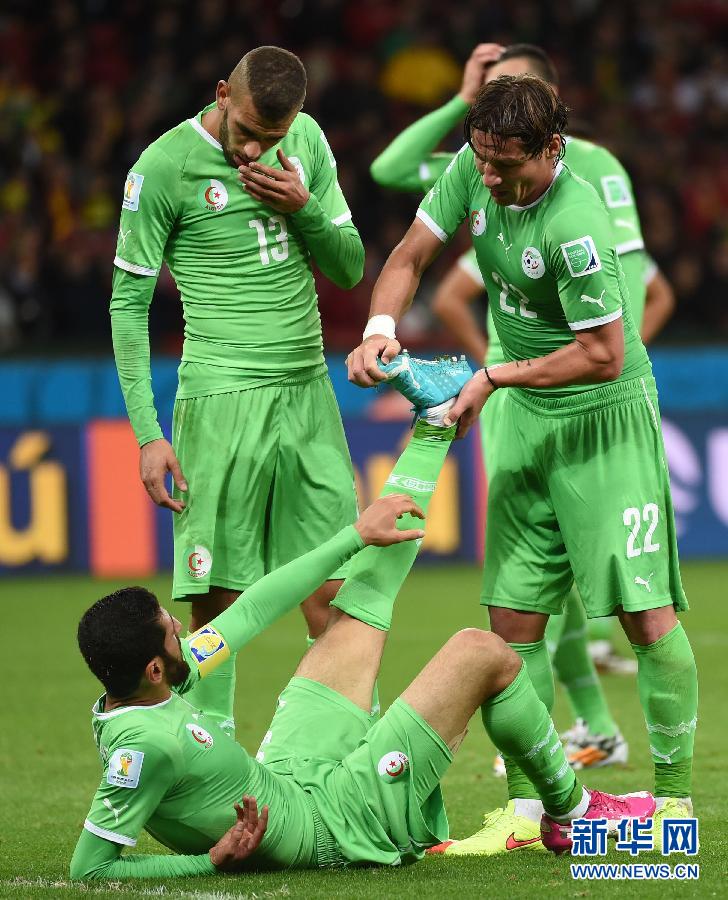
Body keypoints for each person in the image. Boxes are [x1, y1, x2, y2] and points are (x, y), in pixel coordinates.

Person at [71, 390, 653, 880]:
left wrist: (355, 536)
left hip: (290, 777)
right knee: (483, 651)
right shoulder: (142, 747)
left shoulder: (152, 681)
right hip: (331, 827)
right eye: (170, 631)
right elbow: (91, 869)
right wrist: (208, 862)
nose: (181, 625)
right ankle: (574, 812)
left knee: (355, 609)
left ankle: (434, 427)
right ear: (153, 667)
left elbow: (254, 608)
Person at [348, 73, 697, 857]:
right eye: (484, 160)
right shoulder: (474, 167)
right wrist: (378, 328)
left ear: (553, 149)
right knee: (510, 628)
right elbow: (410, 254)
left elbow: (604, 355)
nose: (493, 179)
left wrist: (494, 375)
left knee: (645, 617)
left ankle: (673, 805)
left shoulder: (576, 224)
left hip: (603, 424)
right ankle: (531, 813)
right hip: (528, 422)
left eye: (509, 166)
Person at [110, 46, 364, 736]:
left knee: (337, 592)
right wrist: (148, 433)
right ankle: (212, 756)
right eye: (246, 130)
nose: (255, 149)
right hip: (220, 399)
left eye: (271, 137)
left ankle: (339, 754)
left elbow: (349, 267)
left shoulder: (305, 143)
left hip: (307, 392)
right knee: (216, 598)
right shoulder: (163, 167)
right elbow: (127, 306)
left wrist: (306, 209)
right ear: (223, 93)